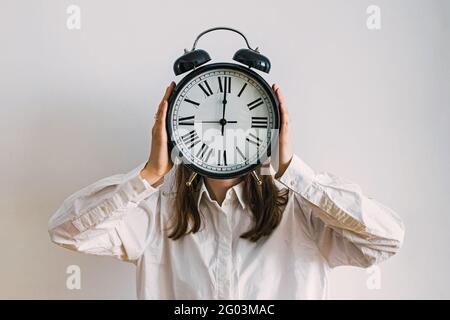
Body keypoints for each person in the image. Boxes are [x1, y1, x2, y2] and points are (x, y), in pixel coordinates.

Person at [48, 82, 405, 299]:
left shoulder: (301, 207)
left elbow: (386, 239)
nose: (221, 130)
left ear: (269, 127)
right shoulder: (157, 210)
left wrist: (292, 171)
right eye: (205, 122)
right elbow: (66, 231)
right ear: (177, 129)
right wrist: (149, 175)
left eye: (240, 119)